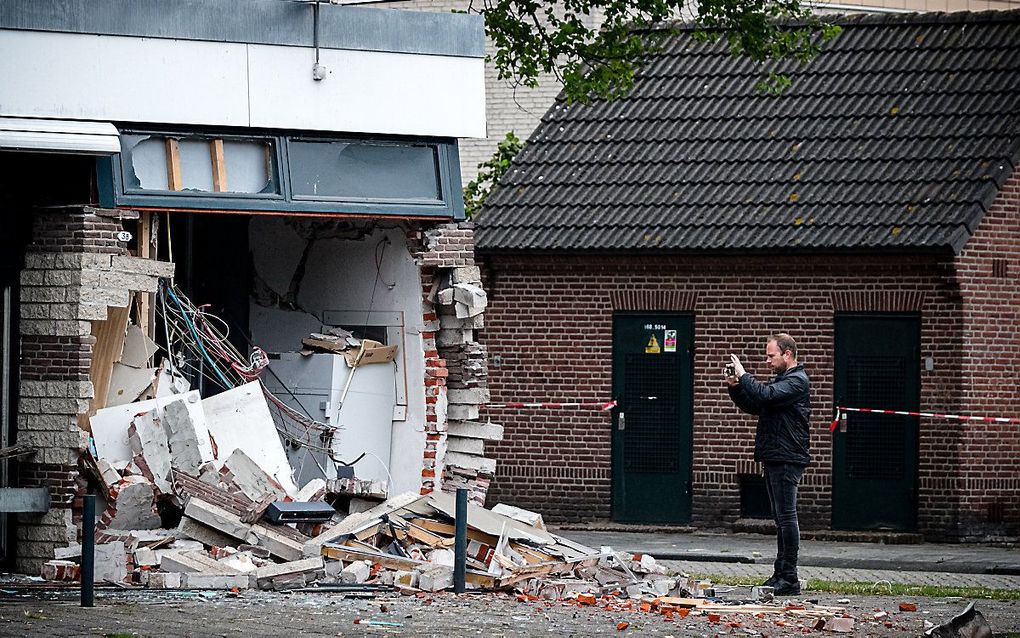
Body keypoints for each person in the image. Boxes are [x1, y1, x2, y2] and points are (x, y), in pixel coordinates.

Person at [725, 333, 811, 596]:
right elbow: (756, 403)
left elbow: (764, 394)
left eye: (771, 355)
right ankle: (780, 574)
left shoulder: (797, 381)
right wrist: (735, 386)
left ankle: (790, 578)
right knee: (780, 518)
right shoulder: (784, 381)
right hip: (775, 455)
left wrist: (744, 374)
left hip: (787, 456)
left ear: (787, 354)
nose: (767, 360)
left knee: (787, 518)